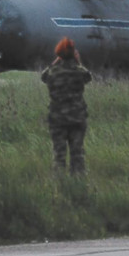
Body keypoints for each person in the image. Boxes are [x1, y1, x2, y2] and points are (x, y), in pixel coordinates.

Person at [40, 38, 92, 176]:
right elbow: (88, 77)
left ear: (59, 54)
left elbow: (43, 77)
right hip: (77, 118)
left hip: (57, 119)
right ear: (73, 54)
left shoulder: (52, 72)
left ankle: (59, 182)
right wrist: (78, 61)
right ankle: (78, 181)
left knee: (59, 154)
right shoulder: (79, 71)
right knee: (77, 153)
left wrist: (56, 61)